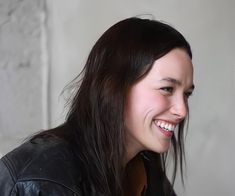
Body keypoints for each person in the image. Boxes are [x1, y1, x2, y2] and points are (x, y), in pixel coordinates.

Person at [0, 17, 194, 196]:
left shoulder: (144, 171)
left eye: (186, 94)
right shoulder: (45, 177)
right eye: (167, 88)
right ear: (114, 88)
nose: (182, 111)